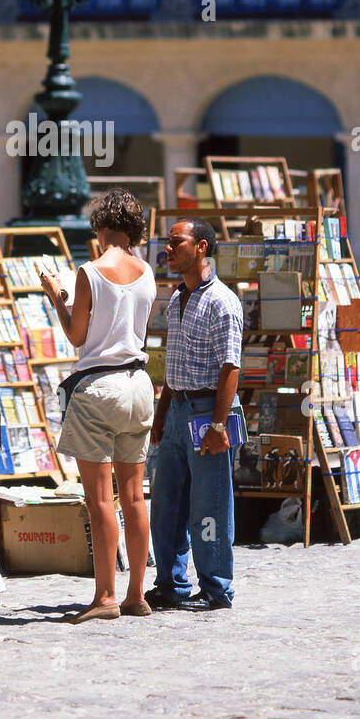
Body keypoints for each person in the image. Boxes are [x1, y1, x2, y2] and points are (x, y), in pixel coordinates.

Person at [41, 189, 156, 623]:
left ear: (101, 228)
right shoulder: (147, 272)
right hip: (139, 384)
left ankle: (105, 596)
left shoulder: (90, 272)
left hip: (99, 387)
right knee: (133, 496)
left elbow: (77, 335)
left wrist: (57, 296)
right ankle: (136, 592)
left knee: (100, 500)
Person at [147, 219, 244, 612]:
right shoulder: (175, 299)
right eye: (167, 244)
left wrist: (219, 425)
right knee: (166, 502)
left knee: (209, 506)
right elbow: (174, 362)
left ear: (201, 247)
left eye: (176, 243)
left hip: (207, 412)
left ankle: (216, 587)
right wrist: (161, 415)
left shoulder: (223, 301)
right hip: (176, 412)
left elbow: (230, 368)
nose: (167, 250)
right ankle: (171, 583)